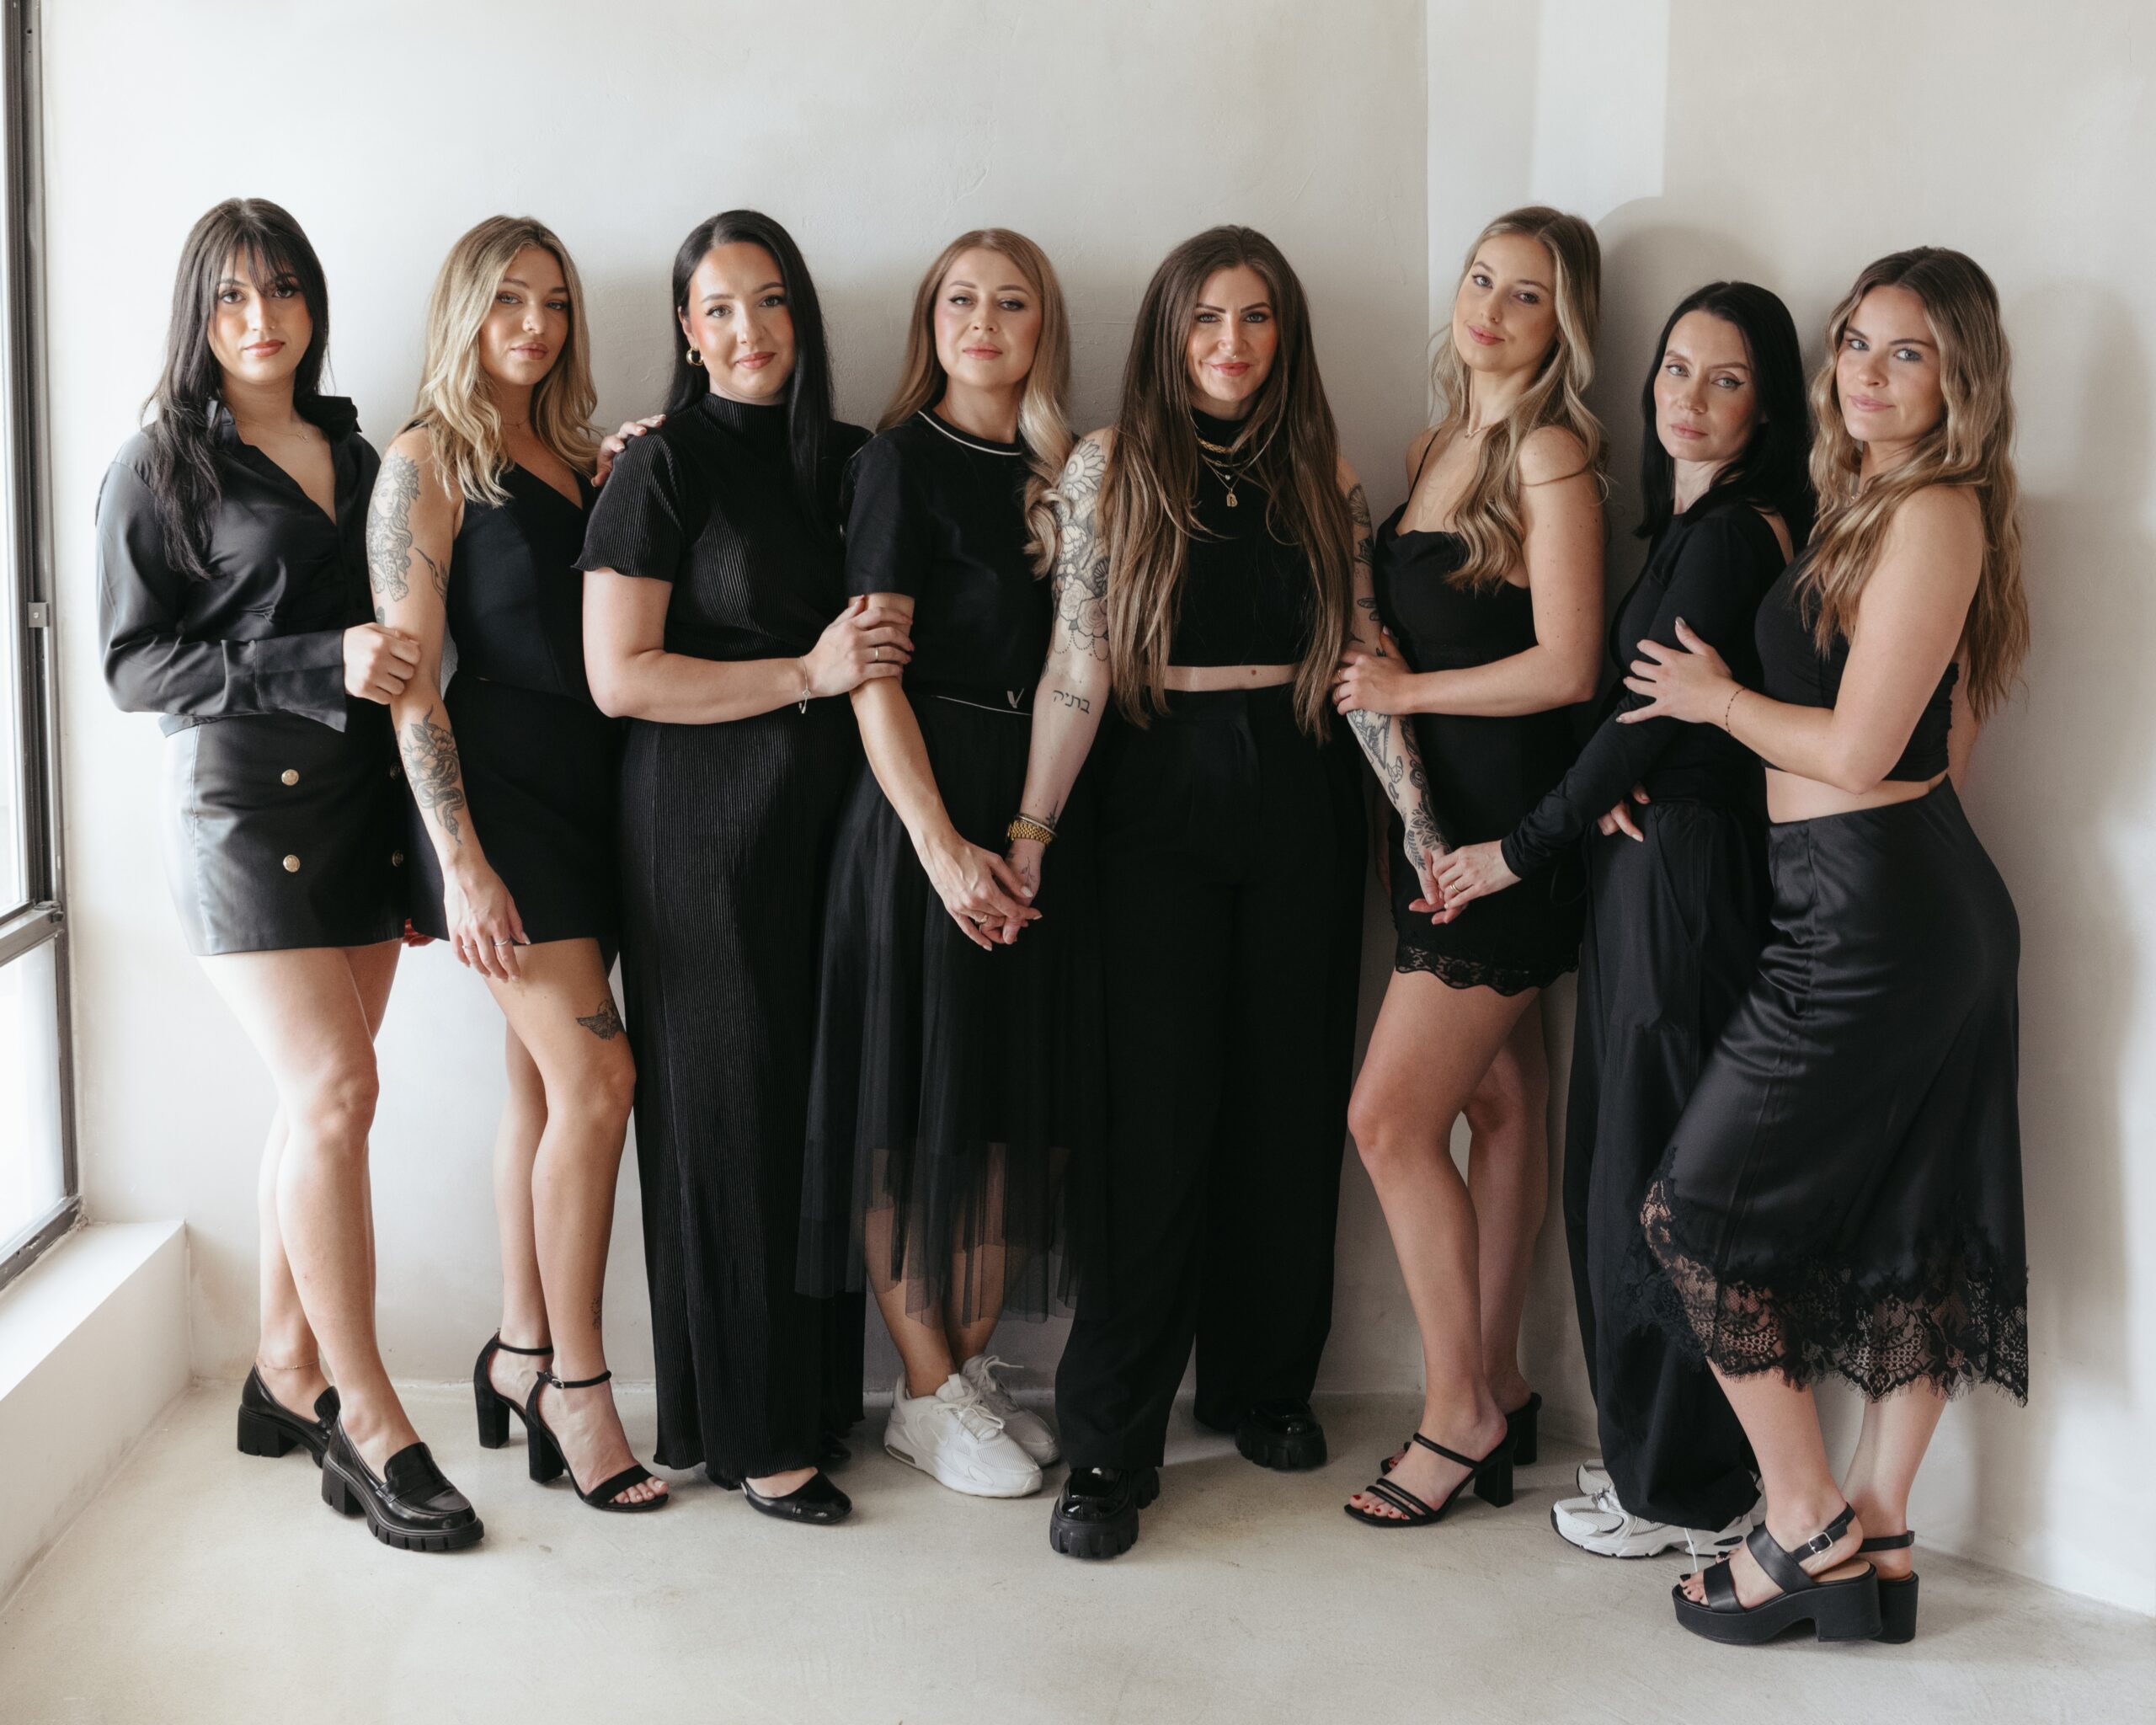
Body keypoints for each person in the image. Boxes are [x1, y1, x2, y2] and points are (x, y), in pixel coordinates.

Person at [1619, 248, 2027, 1645]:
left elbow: (1861, 752)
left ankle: (1804, 1529)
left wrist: (1715, 703)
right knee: (1917, 1223)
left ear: (1961, 377)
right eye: (1855, 341)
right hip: (1888, 900)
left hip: (1876, 914)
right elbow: (1941, 748)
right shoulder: (1878, 509)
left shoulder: (1937, 515)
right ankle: (1882, 1536)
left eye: (1908, 351)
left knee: (1695, 1211)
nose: (1866, 371)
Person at [1007, 227, 1401, 1560]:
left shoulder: (1321, 475)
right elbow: (1077, 664)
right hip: (1153, 791)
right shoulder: (1111, 466)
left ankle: (1264, 1383)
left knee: (1287, 1096)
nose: (1232, 344)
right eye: (1206, 320)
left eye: (1256, 318)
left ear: (1286, 336)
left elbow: (1360, 660)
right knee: (1150, 1116)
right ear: (1168, 333)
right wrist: (1032, 828)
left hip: (1300, 786)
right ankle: (1110, 1443)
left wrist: (1424, 831)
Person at [98, 197, 480, 1551]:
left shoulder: (357, 450)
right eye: (232, 298)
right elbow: (132, 666)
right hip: (241, 817)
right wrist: (318, 658)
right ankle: (365, 1418)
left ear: (313, 303)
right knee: (338, 1092)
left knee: (318, 1108)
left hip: (362, 807)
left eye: (284, 291)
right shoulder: (159, 465)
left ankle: (281, 1369)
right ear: (199, 317)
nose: (262, 320)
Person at [1437, 281, 1814, 1557]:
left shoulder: (1732, 535)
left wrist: (1517, 849)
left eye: (1726, 379)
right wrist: (1606, 785)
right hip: (1651, 867)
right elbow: (1633, 719)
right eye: (1676, 368)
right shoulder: (1690, 529)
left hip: (1684, 879)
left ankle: (1690, 1493)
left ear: (1767, 407)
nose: (1688, 398)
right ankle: (1657, 1463)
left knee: (1650, 1180)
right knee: (1621, 1167)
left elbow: (1649, 715)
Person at [579, 210, 900, 1525]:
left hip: (825, 829)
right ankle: (751, 1436)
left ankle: (811, 1404)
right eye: (718, 307)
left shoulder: (850, 459)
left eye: (768, 301)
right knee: (726, 1117)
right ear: (686, 328)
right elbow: (620, 678)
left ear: (800, 313)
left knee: (812, 1112)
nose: (748, 329)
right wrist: (805, 675)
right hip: (698, 829)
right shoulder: (660, 466)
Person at [367, 215, 665, 1512]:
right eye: (507, 301)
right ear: (465, 312)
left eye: (553, 303)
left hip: (602, 796)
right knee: (602, 1079)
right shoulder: (426, 460)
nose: (534, 325)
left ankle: (520, 1350)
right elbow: (409, 681)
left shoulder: (580, 458)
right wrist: (462, 864)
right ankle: (579, 1387)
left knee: (544, 1092)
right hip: (502, 811)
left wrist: (631, 473)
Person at [801, 230, 1095, 1500]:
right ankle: (925, 1391)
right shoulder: (895, 463)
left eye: (1011, 302)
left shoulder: (1068, 474)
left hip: (1039, 810)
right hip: (919, 808)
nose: (984, 321)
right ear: (931, 322)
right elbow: (873, 675)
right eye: (961, 300)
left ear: (1043, 329)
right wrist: (937, 846)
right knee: (904, 1110)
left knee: (1016, 1108)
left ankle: (956, 1377)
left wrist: (1026, 836)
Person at [1330, 206, 1604, 1529]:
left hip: (1508, 842)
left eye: (1527, 294)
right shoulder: (1435, 447)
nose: (1490, 309)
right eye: (1481, 279)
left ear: (1566, 325)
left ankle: (1457, 1413)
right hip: (1433, 826)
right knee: (1501, 1104)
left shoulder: (1549, 454)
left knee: (1387, 1122)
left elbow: (1569, 666)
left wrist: (1408, 688)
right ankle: (1500, 1382)